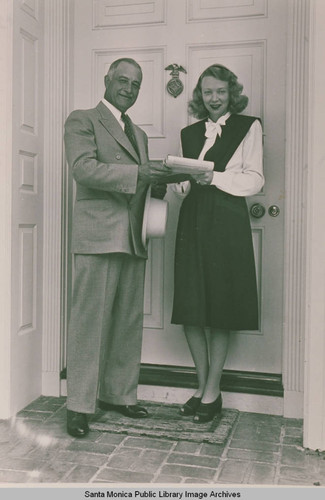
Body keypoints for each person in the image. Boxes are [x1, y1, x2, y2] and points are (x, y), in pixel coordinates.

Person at [64, 58, 169, 438]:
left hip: (132, 235)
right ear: (106, 79)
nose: (128, 88)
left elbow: (136, 181)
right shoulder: (82, 119)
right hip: (97, 235)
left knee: (126, 321)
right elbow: (83, 170)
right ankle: (78, 405)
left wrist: (158, 182)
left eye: (136, 84)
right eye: (122, 80)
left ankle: (118, 395)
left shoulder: (138, 134)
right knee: (89, 323)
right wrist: (139, 174)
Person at [170, 64, 264, 423]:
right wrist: (181, 184)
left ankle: (213, 389)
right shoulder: (189, 132)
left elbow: (254, 179)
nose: (214, 99)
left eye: (220, 92)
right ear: (200, 95)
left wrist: (214, 176)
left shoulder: (248, 126)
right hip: (193, 220)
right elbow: (187, 182)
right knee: (192, 306)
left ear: (232, 94)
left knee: (220, 309)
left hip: (227, 222)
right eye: (208, 92)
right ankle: (202, 387)